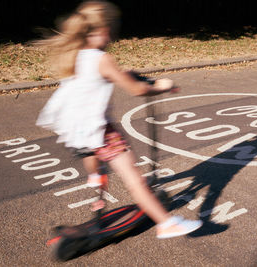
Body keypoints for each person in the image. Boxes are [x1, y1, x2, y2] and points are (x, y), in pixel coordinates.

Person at [36, 0, 202, 239]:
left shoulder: (76, 55)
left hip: (76, 130)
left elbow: (98, 78)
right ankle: (166, 224)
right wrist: (162, 86)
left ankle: (96, 184)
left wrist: (126, 73)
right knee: (133, 179)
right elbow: (136, 90)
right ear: (104, 30)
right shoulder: (103, 59)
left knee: (95, 160)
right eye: (111, 29)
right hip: (100, 131)